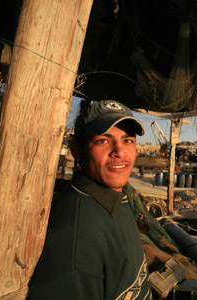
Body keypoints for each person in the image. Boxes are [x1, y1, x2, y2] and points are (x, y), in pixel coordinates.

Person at [27, 100, 152, 300]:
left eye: (128, 140)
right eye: (104, 140)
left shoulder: (116, 200)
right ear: (77, 150)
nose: (120, 151)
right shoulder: (75, 238)